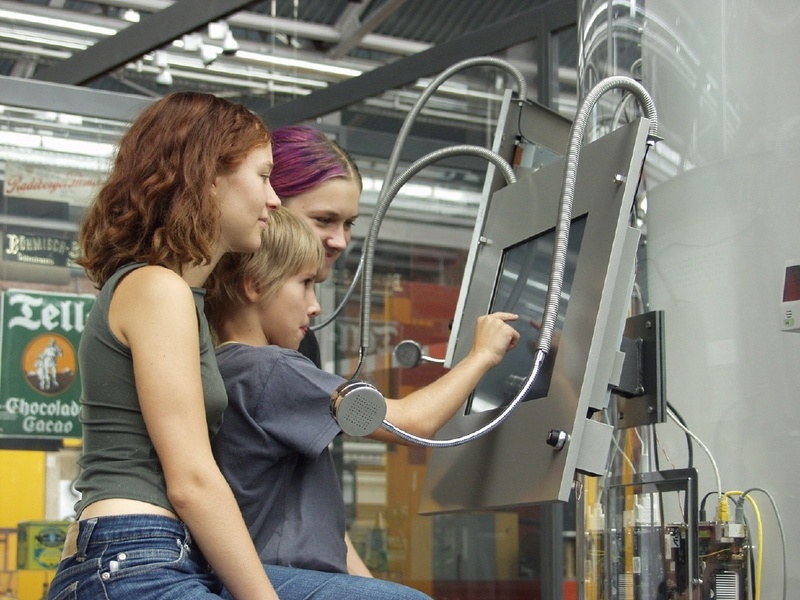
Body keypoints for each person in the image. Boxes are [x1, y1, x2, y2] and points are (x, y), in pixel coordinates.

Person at [204, 207, 520, 599]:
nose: (315, 305)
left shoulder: (222, 368)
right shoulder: (271, 368)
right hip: (280, 577)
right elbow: (413, 423)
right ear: (254, 285)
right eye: (304, 283)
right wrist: (482, 356)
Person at [48, 92, 282, 600]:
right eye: (263, 176)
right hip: (132, 555)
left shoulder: (179, 296)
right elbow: (191, 481)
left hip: (164, 552)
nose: (275, 199)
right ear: (209, 176)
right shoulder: (158, 288)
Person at [269, 124, 361, 367]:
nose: (340, 242)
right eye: (324, 220)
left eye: (349, 223)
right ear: (270, 205)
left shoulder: (303, 339)